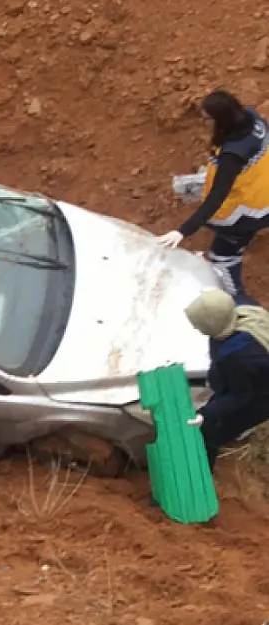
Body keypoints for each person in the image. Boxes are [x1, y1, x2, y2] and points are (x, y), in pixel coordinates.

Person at [157, 90, 269, 299]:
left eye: (208, 118)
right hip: (261, 184)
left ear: (222, 119)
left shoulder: (232, 155)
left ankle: (238, 302)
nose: (205, 122)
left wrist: (182, 231)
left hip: (247, 213)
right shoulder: (252, 118)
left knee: (223, 257)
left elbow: (217, 198)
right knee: (189, 184)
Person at [183, 288, 269, 470]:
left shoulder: (240, 359)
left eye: (199, 325)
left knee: (214, 429)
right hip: (253, 374)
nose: (195, 328)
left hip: (261, 395)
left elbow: (240, 396)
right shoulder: (243, 307)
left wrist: (206, 414)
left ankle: (203, 468)